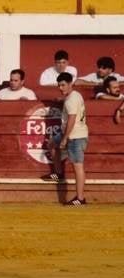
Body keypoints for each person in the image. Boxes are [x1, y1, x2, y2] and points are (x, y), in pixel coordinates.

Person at [46, 72, 88, 206]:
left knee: (77, 166)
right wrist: (61, 100)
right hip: (72, 133)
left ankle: (80, 198)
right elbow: (72, 105)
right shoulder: (75, 95)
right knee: (51, 144)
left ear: (70, 84)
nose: (61, 88)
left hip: (74, 136)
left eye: (63, 85)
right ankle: (59, 172)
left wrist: (64, 139)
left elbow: (71, 119)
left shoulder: (71, 100)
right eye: (59, 85)